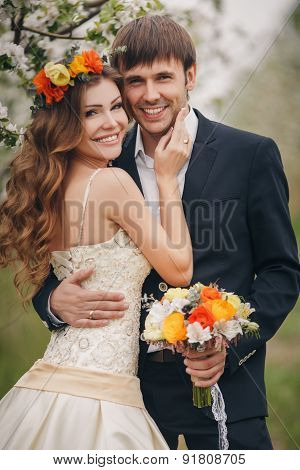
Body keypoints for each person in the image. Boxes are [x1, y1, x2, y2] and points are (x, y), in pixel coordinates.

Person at [33, 16, 299, 450]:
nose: (150, 95)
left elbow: (281, 271)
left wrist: (230, 345)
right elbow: (62, 261)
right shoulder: (105, 161)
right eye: (135, 81)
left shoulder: (250, 154)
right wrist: (52, 303)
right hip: (124, 402)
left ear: (189, 76)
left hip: (225, 397)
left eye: (163, 77)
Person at [0, 49, 196, 449]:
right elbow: (179, 270)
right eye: (91, 113)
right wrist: (165, 176)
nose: (113, 123)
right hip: (102, 393)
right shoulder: (112, 182)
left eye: (116, 107)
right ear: (64, 124)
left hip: (53, 379)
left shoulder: (48, 188)